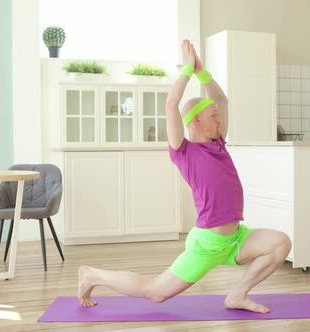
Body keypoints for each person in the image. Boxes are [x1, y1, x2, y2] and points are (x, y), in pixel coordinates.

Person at [77, 39, 291, 313]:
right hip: (208, 243)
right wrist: (186, 72)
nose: (220, 120)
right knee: (155, 293)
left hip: (236, 238)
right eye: (214, 116)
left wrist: (202, 71)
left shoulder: (218, 142)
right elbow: (171, 104)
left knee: (281, 243)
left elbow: (222, 99)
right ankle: (93, 275)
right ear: (197, 121)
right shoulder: (184, 151)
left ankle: (237, 295)